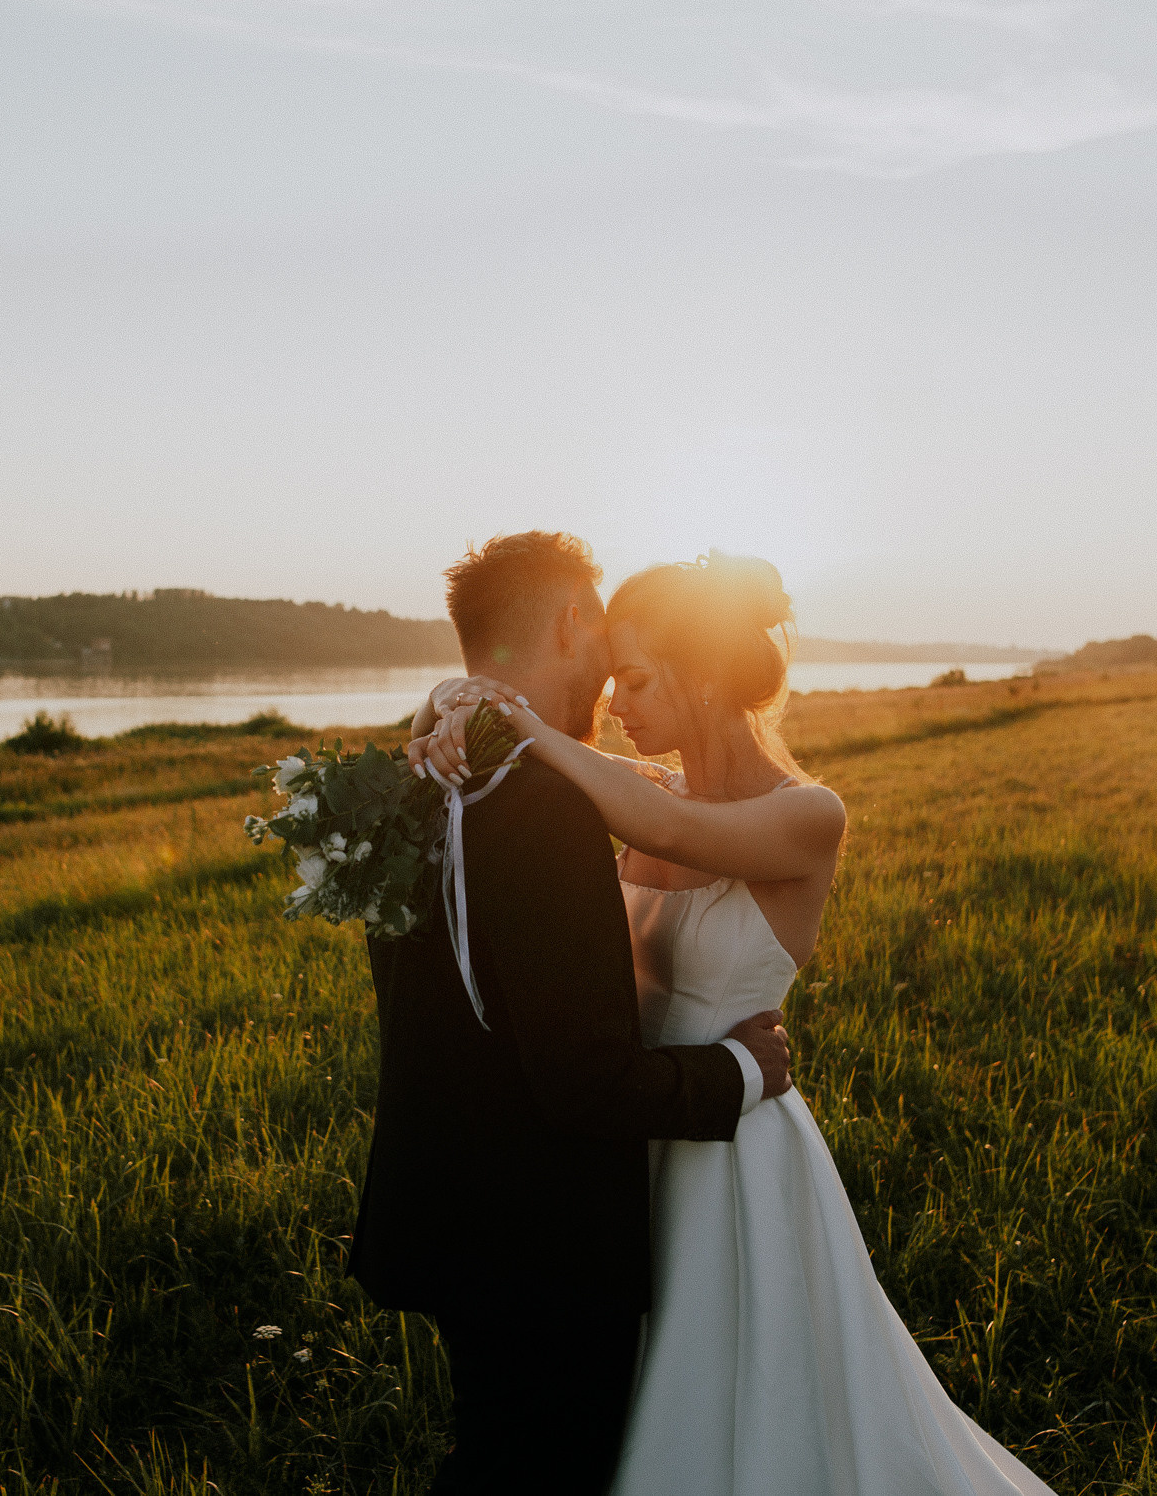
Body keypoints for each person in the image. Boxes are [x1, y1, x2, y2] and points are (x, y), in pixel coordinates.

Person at [413, 550, 1057, 1496]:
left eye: (634, 679)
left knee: (752, 1398)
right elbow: (624, 794)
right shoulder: (650, 788)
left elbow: (662, 829)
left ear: (704, 674)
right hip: (630, 1131)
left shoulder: (805, 817)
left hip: (732, 1152)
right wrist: (451, 699)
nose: (616, 702)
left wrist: (524, 727)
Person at [347, 531, 794, 1496]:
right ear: (569, 622)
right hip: (539, 1238)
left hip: (444, 1209)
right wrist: (740, 1071)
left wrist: (449, 700)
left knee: (493, 1449)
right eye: (606, 654)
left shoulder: (414, 779)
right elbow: (584, 1077)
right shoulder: (544, 804)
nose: (612, 687)